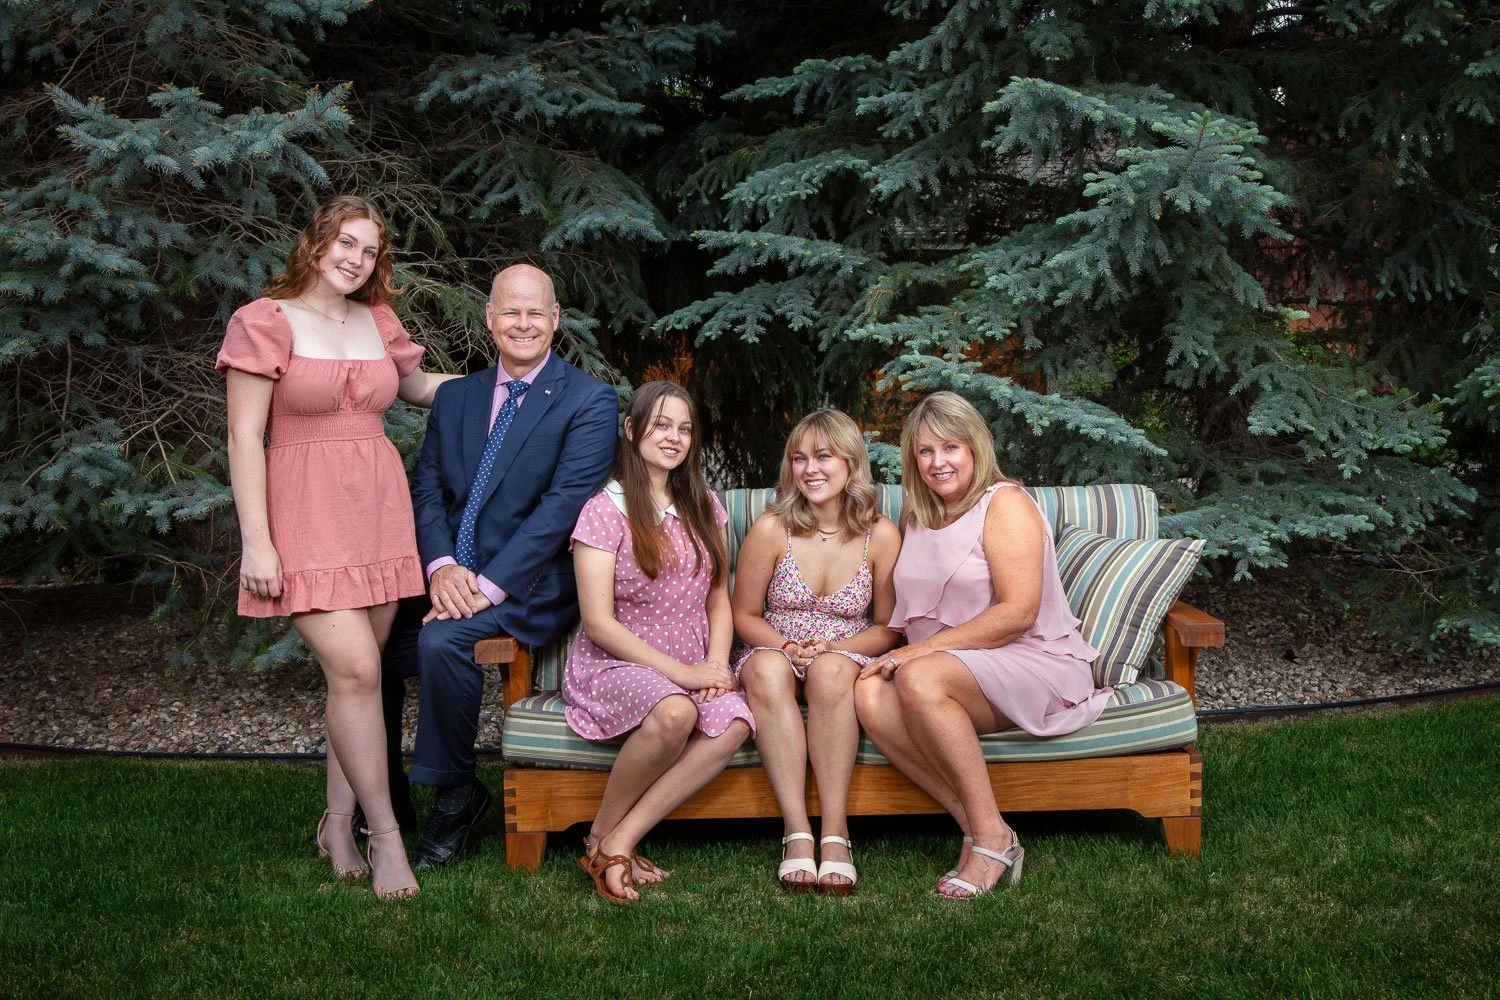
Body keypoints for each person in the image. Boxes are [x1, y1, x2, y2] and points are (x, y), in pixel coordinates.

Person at [216, 194, 458, 900]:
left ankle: (337, 823)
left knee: (355, 680)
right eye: (347, 243)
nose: (357, 259)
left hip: (377, 514)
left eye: (370, 250)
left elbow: (418, 388)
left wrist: (508, 381)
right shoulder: (264, 320)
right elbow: (243, 437)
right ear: (317, 241)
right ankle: (386, 837)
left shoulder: (377, 320)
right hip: (304, 515)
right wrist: (257, 543)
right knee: (355, 671)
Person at [854, 391, 1113, 898]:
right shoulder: (919, 515)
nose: (938, 462)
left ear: (975, 447)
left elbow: (1018, 613)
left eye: (950, 447)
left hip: (1031, 659)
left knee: (918, 675)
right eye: (925, 451)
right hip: (951, 667)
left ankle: (990, 840)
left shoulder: (1004, 503)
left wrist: (915, 653)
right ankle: (984, 829)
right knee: (868, 692)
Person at [404, 264, 617, 870]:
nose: (523, 324)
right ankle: (384, 797)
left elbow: (562, 509)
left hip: (531, 584)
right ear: (490, 318)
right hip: (452, 574)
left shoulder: (588, 400)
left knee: (442, 640)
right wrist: (442, 567)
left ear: (555, 319)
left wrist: (485, 586)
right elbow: (428, 491)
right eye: (510, 312)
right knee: (371, 645)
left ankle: (454, 794)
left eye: (535, 312)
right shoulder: (457, 398)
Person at [562, 381, 754, 904]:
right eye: (661, 424)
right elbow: (598, 623)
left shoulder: (703, 505)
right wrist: (685, 675)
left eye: (684, 429)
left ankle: (619, 840)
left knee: (735, 721)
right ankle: (600, 835)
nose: (674, 437)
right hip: (617, 658)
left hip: (695, 656)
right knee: (675, 713)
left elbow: (718, 597)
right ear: (632, 429)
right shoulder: (604, 510)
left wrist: (715, 664)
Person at [731, 409, 901, 895]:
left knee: (830, 672)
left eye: (824, 456)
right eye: (800, 458)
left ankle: (835, 834)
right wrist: (786, 646)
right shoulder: (772, 528)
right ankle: (797, 832)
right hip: (776, 645)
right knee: (766, 671)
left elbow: (889, 628)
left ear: (850, 463)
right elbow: (744, 615)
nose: (810, 469)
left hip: (847, 650)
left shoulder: (880, 535)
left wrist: (833, 648)